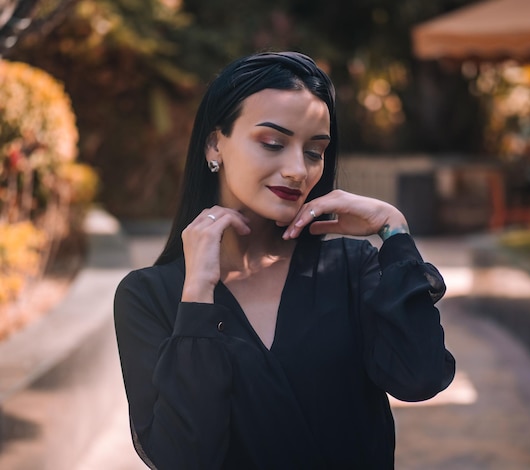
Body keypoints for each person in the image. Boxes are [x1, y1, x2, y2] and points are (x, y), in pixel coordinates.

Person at [114, 51, 455, 470]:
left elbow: (419, 377)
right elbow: (181, 457)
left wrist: (394, 230)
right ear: (213, 143)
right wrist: (197, 295)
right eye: (273, 143)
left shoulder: (353, 267)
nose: (298, 170)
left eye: (315, 151)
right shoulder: (149, 296)